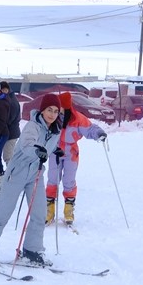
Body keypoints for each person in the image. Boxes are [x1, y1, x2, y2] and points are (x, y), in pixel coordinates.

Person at [0, 93, 64, 268]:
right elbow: (27, 144)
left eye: (55, 111)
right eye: (49, 110)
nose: (52, 114)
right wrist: (38, 150)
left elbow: (48, 143)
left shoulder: (55, 129)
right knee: (3, 213)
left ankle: (32, 250)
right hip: (16, 173)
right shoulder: (32, 126)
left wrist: (54, 150)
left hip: (36, 175)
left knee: (39, 214)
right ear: (42, 110)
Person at [47, 91, 107, 224]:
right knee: (52, 179)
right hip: (54, 152)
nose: (57, 108)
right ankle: (49, 210)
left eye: (60, 105)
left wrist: (99, 133)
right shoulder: (52, 117)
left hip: (71, 154)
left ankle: (68, 210)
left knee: (69, 180)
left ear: (66, 106)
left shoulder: (77, 118)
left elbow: (90, 128)